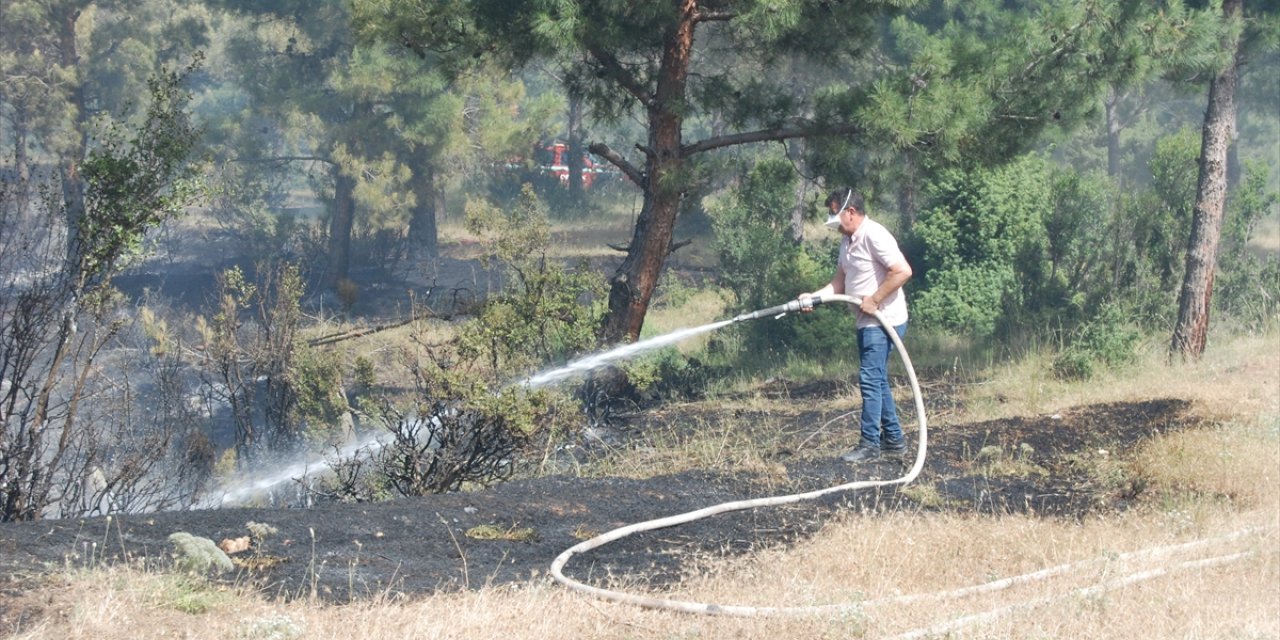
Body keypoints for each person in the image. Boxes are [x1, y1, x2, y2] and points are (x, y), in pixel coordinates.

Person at [800, 188, 912, 463]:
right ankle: (894, 441)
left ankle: (869, 444)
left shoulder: (875, 234)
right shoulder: (847, 242)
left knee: (870, 379)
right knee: (876, 379)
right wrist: (814, 297)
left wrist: (875, 299)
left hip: (883, 320)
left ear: (851, 212)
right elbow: (840, 282)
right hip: (866, 322)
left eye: (835, 214)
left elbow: (902, 271)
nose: (833, 222)